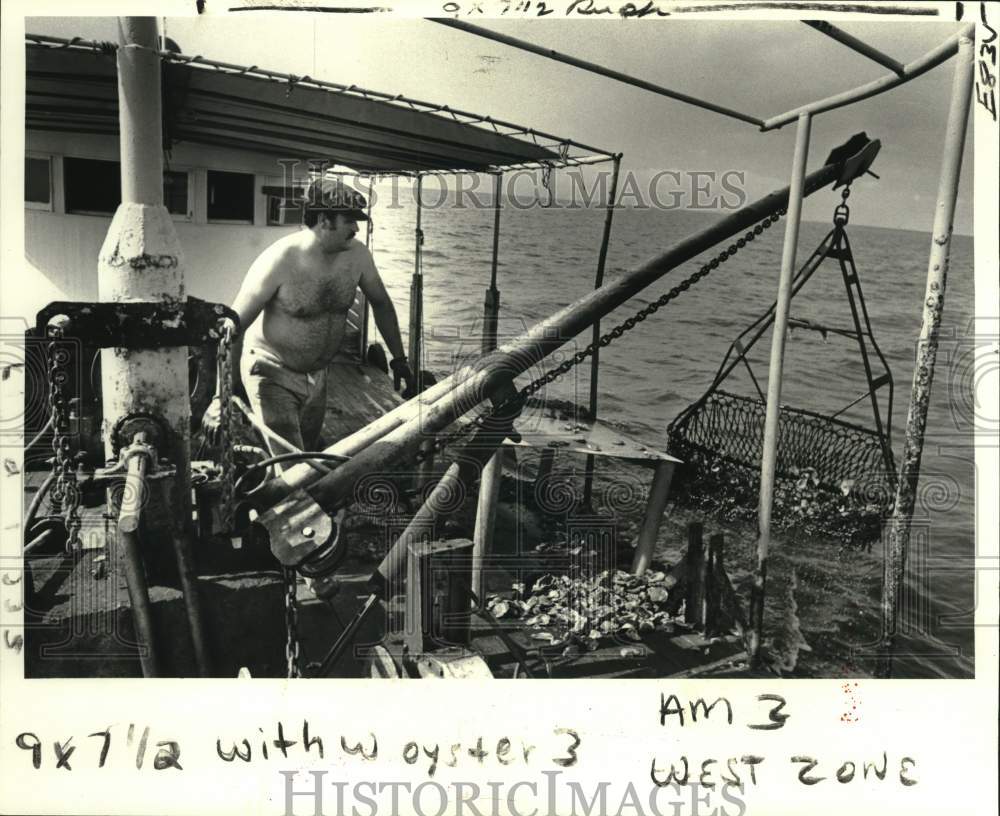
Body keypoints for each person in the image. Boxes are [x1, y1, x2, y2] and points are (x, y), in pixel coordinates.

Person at [203, 177, 414, 455]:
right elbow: (234, 326)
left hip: (317, 379)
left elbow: (382, 305)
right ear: (325, 220)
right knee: (294, 468)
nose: (356, 228)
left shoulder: (358, 256)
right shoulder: (280, 260)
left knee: (309, 455)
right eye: (349, 219)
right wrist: (222, 395)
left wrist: (399, 360)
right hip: (271, 372)